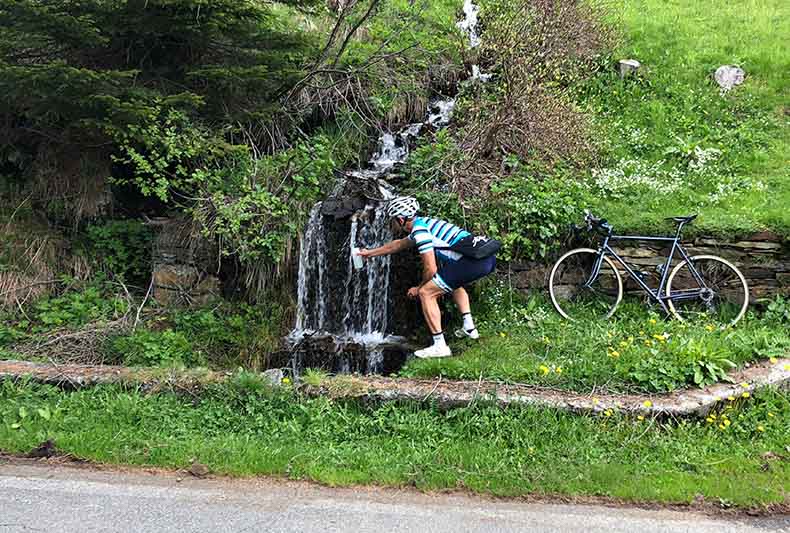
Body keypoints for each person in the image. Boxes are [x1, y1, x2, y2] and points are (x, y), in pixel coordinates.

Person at [358, 196, 496, 358]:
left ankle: (440, 346)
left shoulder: (420, 231)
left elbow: (430, 268)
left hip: (473, 263)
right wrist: (369, 253)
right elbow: (399, 244)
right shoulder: (424, 224)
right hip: (486, 260)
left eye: (393, 220)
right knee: (451, 282)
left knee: (427, 293)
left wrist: (419, 287)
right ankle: (470, 328)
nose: (391, 224)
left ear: (401, 219)